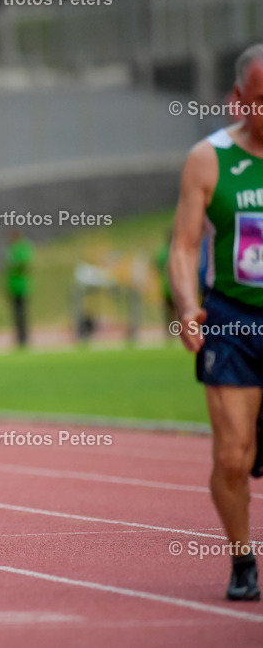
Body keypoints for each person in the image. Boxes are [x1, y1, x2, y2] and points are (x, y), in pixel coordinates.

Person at [169, 44, 263, 602]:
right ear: (238, 99)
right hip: (231, 318)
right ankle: (242, 558)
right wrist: (186, 307)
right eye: (261, 101)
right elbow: (183, 247)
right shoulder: (209, 158)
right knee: (233, 455)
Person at [4, 230, 34, 347]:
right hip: (13, 286)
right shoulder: (10, 249)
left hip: (21, 285)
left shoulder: (22, 248)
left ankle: (24, 337)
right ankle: (19, 336)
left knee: (22, 313)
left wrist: (15, 263)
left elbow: (24, 264)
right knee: (16, 313)